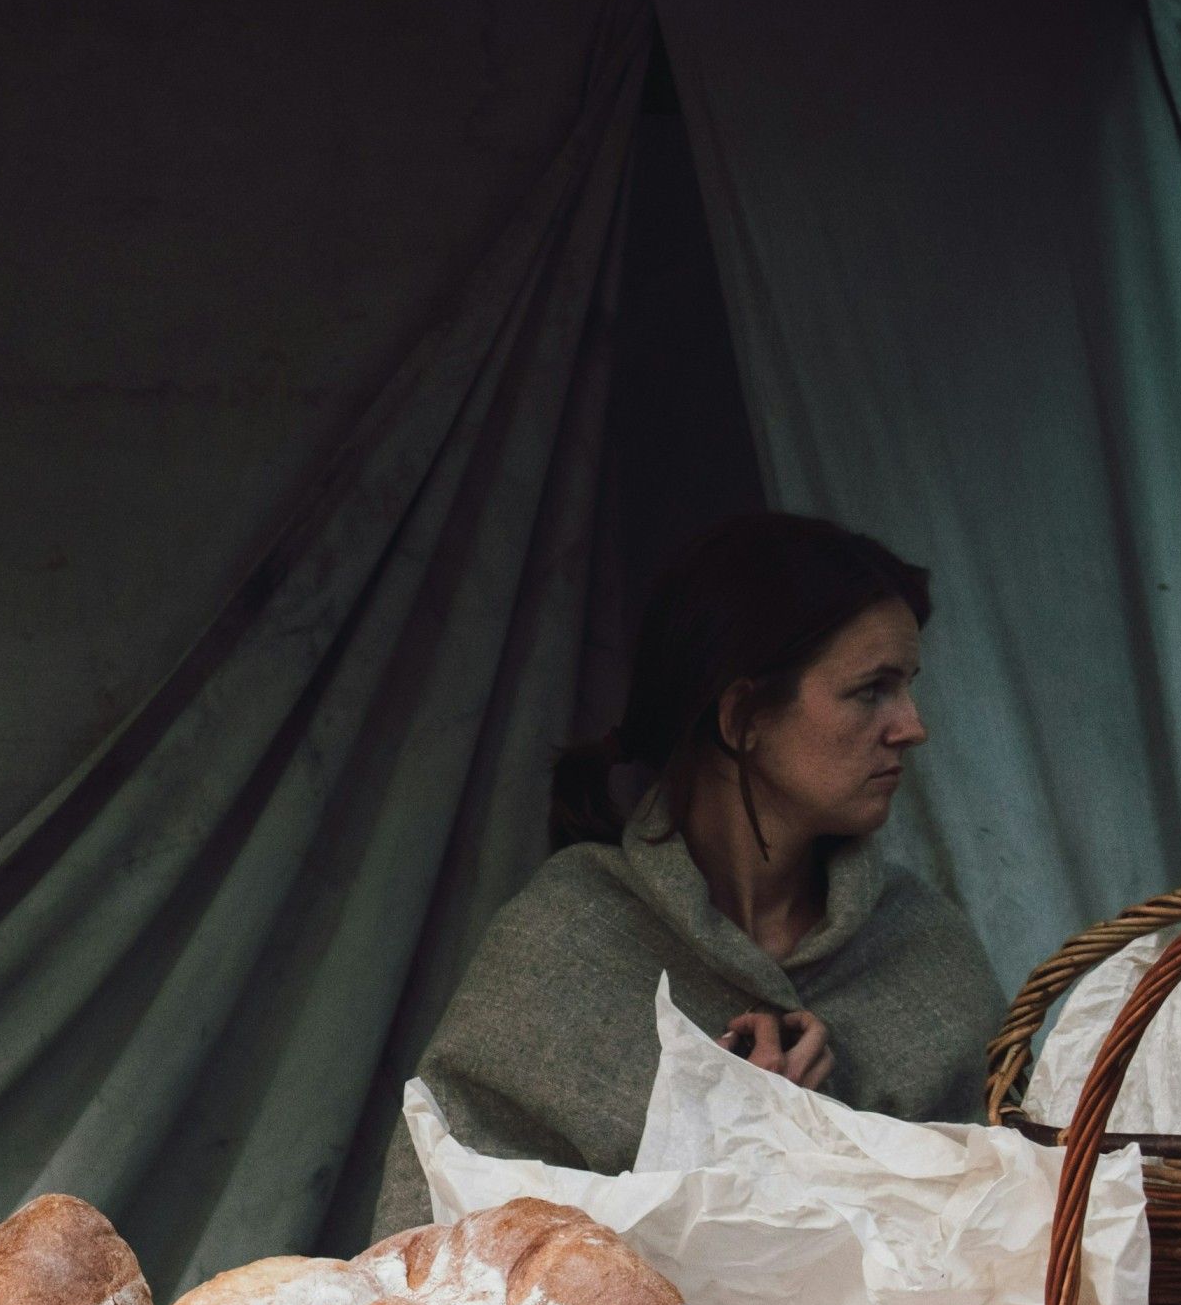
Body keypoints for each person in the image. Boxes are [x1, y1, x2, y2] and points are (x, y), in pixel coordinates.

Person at [374, 512, 1003, 1236]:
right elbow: (438, 1236)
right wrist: (708, 1148)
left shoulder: (925, 949)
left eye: (908, 686)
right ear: (742, 718)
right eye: (871, 690)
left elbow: (1009, 1237)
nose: (911, 725)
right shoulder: (569, 938)